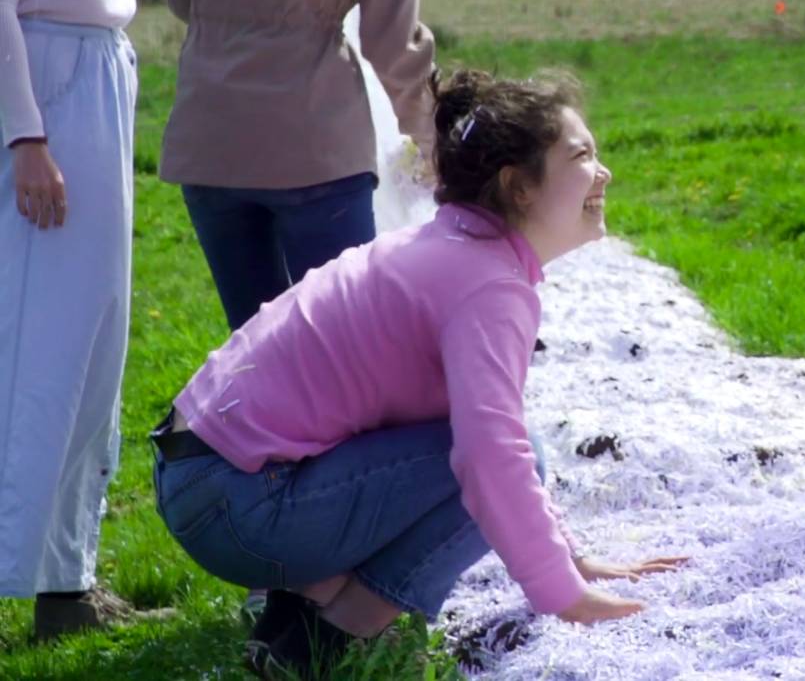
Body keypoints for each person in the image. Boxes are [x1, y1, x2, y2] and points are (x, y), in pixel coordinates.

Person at [152, 69, 684, 679]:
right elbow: (491, 456)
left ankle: (298, 616)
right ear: (519, 187)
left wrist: (572, 558)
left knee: (492, 456)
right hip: (239, 505)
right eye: (582, 155)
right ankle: (328, 638)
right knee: (504, 461)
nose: (604, 172)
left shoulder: (454, 249)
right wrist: (565, 595)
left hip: (206, 481)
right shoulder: (487, 283)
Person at [162, 0, 438, 618]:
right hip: (311, 133)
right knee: (348, 376)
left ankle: (273, 572)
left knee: (254, 371)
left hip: (209, 134)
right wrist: (426, 123)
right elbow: (389, 22)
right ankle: (337, 583)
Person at [0, 0, 160, 641]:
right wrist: (25, 137)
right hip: (51, 105)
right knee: (46, 348)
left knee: (91, 347)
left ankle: (65, 579)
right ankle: (35, 571)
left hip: (91, 94)